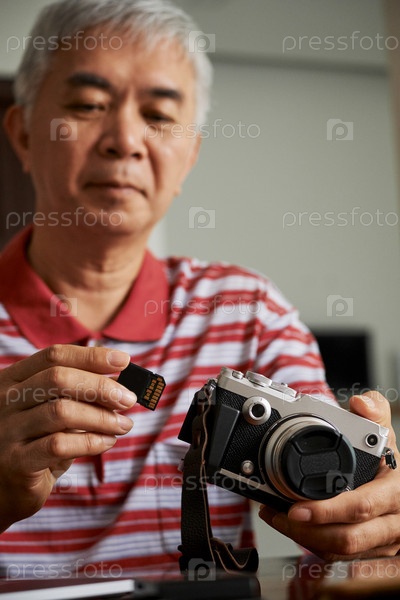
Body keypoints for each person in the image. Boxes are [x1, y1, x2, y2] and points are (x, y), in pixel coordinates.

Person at [0, 0, 399, 579]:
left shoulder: (250, 312)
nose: (125, 140)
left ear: (189, 155)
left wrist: (368, 515)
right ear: (23, 134)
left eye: (159, 115)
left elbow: (335, 518)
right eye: (88, 105)